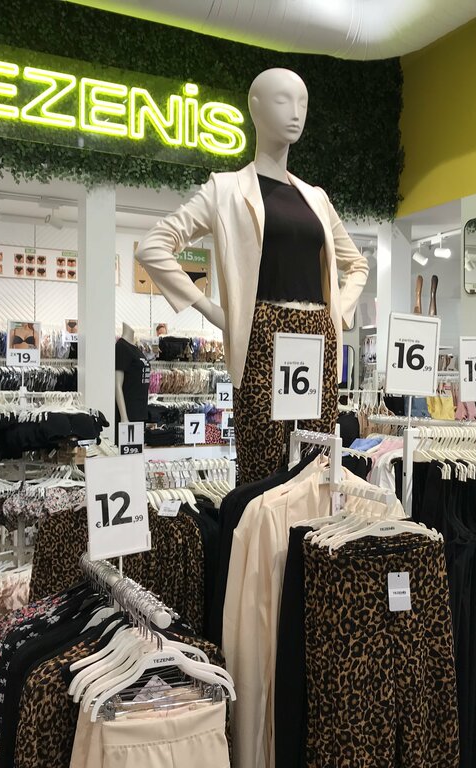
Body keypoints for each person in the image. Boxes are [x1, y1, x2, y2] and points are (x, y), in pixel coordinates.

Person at [136, 68, 369, 483]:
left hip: (317, 338)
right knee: (262, 467)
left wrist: (338, 315)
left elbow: (358, 264)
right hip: (262, 333)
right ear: (255, 108)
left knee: (317, 466)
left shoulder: (316, 198)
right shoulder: (225, 189)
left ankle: (310, 527)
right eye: (283, 100)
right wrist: (215, 312)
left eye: (302, 103)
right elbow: (153, 246)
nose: (295, 112)